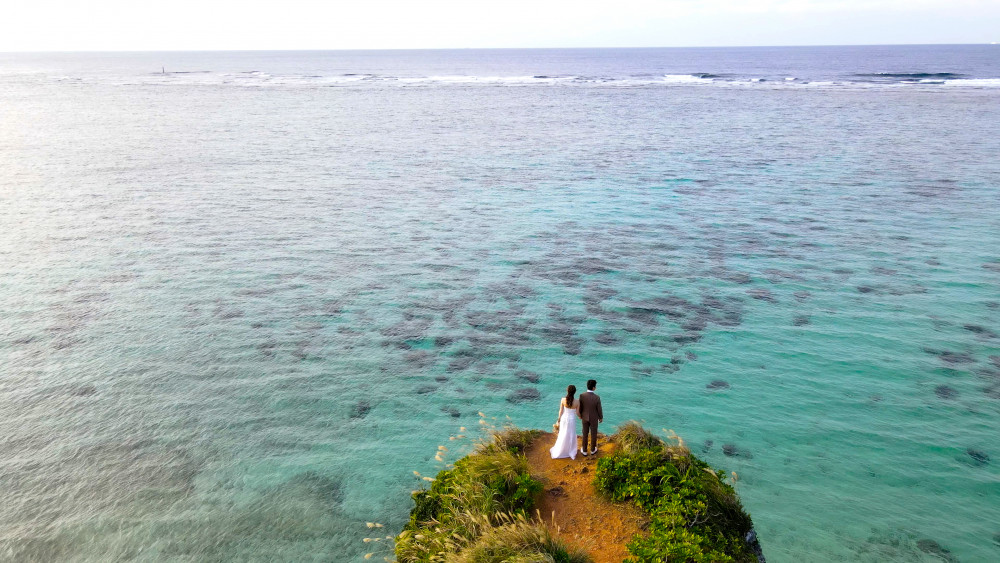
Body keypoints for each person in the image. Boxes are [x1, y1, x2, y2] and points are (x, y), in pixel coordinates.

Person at [549, 385, 580, 459]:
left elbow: (560, 411)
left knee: (563, 433)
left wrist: (559, 419)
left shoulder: (563, 399)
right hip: (572, 419)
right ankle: (570, 450)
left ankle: (561, 450)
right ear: (575, 392)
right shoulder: (577, 402)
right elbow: (578, 413)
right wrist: (581, 416)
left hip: (564, 419)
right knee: (571, 434)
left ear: (567, 390)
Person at [578, 379, 603, 456]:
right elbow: (599, 409)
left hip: (584, 417)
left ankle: (584, 450)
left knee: (585, 433)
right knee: (593, 433)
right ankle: (592, 450)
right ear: (593, 388)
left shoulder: (582, 396)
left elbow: (580, 407)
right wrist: (600, 417)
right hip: (594, 418)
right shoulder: (597, 397)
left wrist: (580, 415)